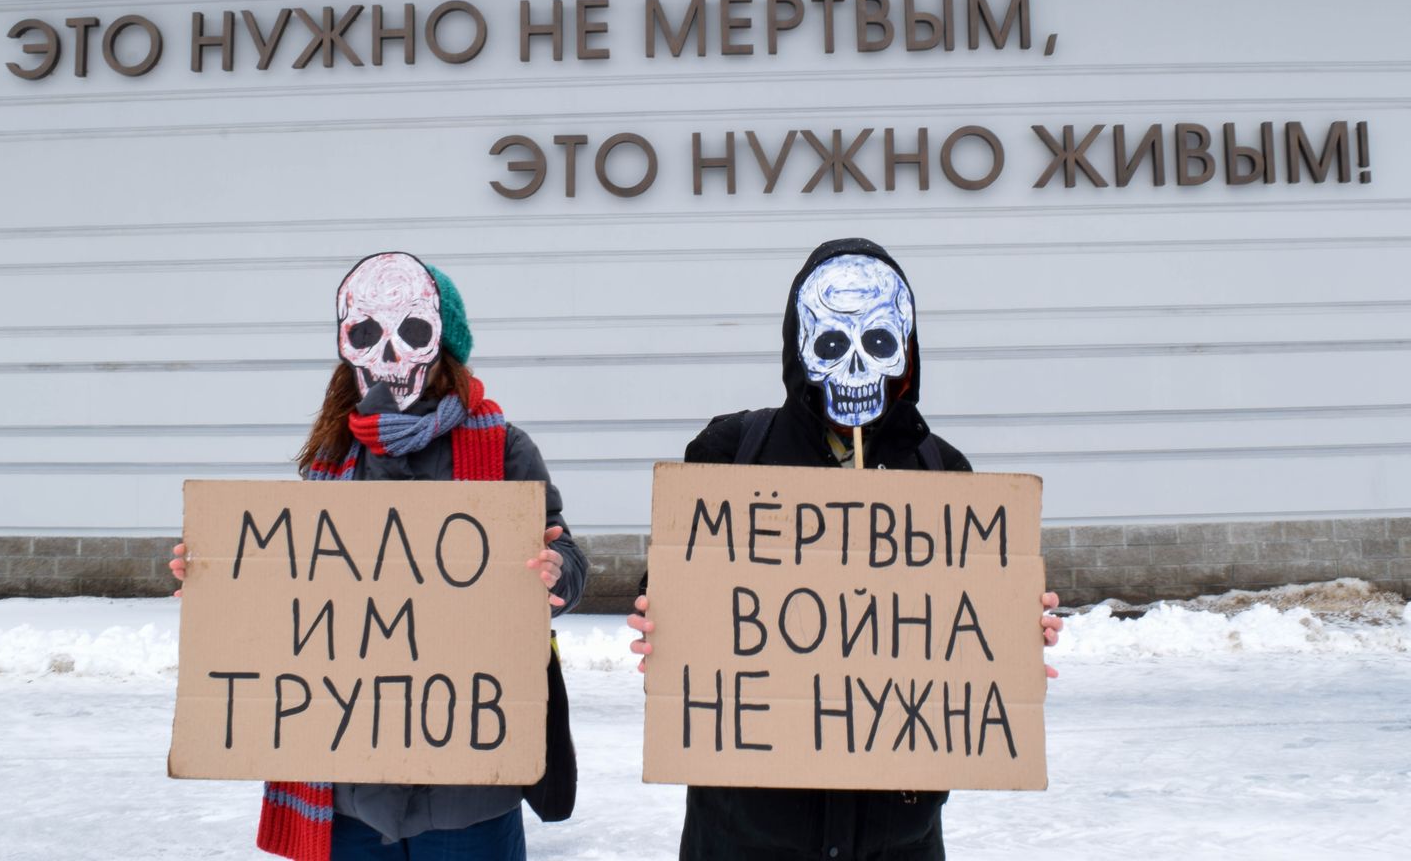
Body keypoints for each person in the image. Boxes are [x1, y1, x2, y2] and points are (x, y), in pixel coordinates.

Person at [627, 237, 1063, 861]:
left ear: (906, 350)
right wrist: (662, 620)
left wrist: (1014, 631)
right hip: (747, 833)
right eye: (831, 345)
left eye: (879, 343)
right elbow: (679, 583)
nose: (856, 370)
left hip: (895, 837)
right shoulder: (730, 454)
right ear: (799, 348)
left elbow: (964, 627)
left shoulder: (945, 476)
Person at [172, 251, 586, 861]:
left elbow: (566, 554)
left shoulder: (503, 449)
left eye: (411, 332)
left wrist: (557, 574)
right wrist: (221, 581)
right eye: (367, 333)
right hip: (351, 790)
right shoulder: (332, 455)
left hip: (470, 788)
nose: (390, 355)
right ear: (348, 347)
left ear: (442, 346)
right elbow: (301, 590)